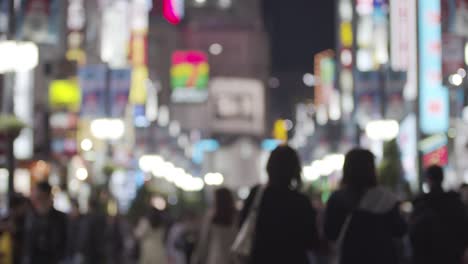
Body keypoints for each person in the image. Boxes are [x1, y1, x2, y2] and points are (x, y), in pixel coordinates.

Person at [324, 148, 407, 264]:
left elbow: (330, 233)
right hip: (383, 257)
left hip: (349, 258)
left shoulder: (337, 199)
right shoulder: (386, 198)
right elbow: (400, 230)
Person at [245, 145, 318, 264]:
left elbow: (243, 225)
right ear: (295, 169)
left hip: (261, 258)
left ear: (269, 167)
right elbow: (311, 241)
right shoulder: (301, 202)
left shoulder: (257, 195)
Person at [410, 165, 468, 264]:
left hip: (427, 258)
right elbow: (464, 230)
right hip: (452, 256)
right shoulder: (455, 202)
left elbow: (413, 235)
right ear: (442, 178)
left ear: (428, 179)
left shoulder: (421, 204)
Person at [22, 181, 68, 264]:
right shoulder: (30, 216)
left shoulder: (61, 218)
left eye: (37, 195)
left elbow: (64, 243)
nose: (32, 196)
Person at [192, 188, 238, 264]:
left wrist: (198, 259)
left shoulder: (212, 217)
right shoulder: (236, 217)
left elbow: (204, 241)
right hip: (232, 259)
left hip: (216, 258)